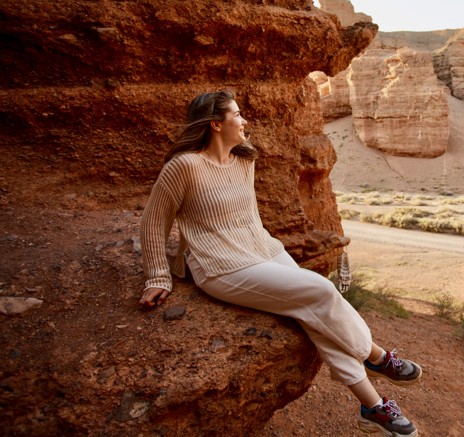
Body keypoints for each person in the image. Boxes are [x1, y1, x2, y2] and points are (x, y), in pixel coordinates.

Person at [139, 90, 421, 436]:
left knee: (316, 314)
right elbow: (154, 221)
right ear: (215, 124)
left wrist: (267, 249)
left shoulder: (244, 160)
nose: (244, 121)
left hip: (262, 250)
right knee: (321, 290)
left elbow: (246, 217)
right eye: (237, 114)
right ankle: (377, 357)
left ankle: (373, 406)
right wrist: (157, 275)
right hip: (221, 265)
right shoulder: (183, 166)